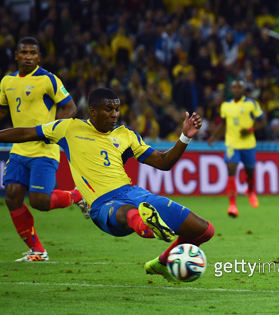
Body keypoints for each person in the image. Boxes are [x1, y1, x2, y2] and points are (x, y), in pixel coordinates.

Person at [0, 87, 214, 282]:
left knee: (204, 231)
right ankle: (146, 225)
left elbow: (164, 163)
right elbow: (26, 132)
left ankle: (162, 261)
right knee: (131, 213)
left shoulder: (126, 135)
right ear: (92, 111)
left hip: (135, 194)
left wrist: (185, 137)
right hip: (103, 204)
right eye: (108, 109)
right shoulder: (68, 128)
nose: (114, 114)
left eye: (117, 109)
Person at [0, 36, 86, 262]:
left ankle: (78, 195)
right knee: (12, 196)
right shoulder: (6, 81)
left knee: (40, 201)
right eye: (24, 52)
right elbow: (1, 111)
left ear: (39, 57)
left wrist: (53, 130)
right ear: (16, 55)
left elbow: (70, 107)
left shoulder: (48, 79)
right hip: (19, 150)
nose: (28, 57)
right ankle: (37, 250)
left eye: (32, 53)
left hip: (43, 150)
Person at [208, 80, 265, 217]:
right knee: (231, 169)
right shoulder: (225, 106)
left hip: (248, 144)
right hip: (232, 144)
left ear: (244, 90)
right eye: (234, 87)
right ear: (231, 90)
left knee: (250, 172)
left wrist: (250, 129)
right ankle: (232, 205)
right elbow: (223, 124)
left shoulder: (251, 104)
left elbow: (262, 121)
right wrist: (213, 137)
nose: (237, 90)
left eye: (239, 87)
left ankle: (250, 191)